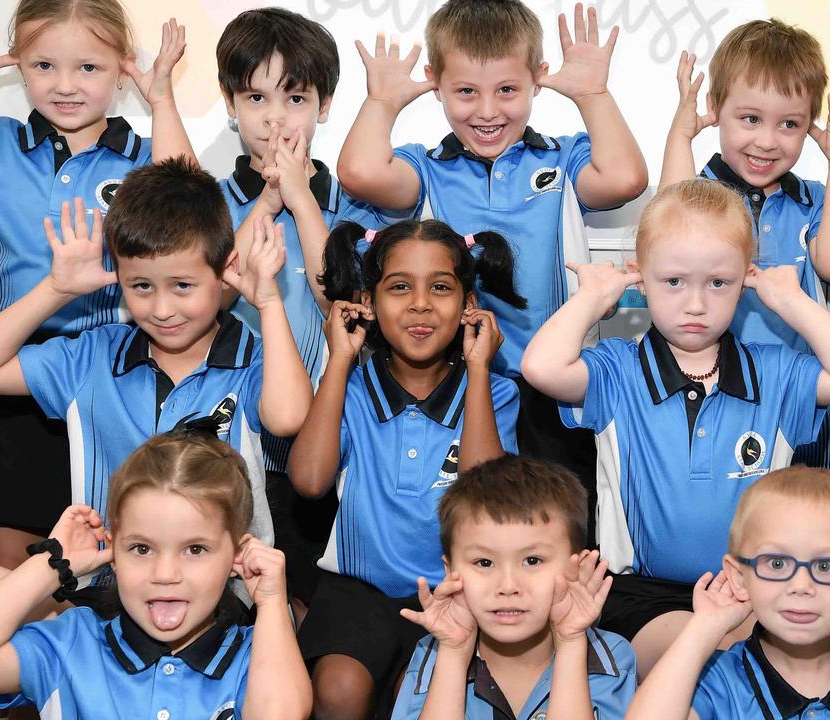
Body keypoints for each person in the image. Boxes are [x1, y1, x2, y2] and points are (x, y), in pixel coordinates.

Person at [521, 178, 830, 677]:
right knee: (712, 660)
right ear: (640, 278)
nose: (696, 303)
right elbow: (540, 368)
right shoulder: (617, 369)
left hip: (755, 588)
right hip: (643, 595)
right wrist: (593, 298)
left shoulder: (773, 372)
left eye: (719, 283)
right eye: (673, 282)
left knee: (789, 665)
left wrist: (792, 301)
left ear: (745, 280)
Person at [336, 0, 650, 532]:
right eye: (465, 92)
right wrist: (382, 104)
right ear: (434, 83)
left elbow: (624, 179)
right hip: (456, 382)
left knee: (554, 526)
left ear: (537, 81)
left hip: (551, 382)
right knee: (473, 523)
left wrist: (594, 95)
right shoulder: (425, 167)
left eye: (507, 90)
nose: (487, 111)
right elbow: (360, 172)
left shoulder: (561, 156)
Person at [0, 158, 313, 551]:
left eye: (183, 285)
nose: (163, 308)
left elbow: (288, 418)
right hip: (105, 587)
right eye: (141, 286)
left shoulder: (252, 359)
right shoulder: (94, 356)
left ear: (225, 270)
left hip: (226, 595)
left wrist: (270, 303)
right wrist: (56, 289)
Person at [0, 0, 192, 598]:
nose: (65, 86)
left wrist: (163, 101)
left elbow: (190, 214)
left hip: (118, 377)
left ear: (124, 67)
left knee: (118, 572)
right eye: (43, 64)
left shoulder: (144, 151)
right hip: (8, 375)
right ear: (16, 64)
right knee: (18, 588)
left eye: (89, 68)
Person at [288, 218, 522, 719]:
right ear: (368, 303)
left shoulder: (495, 393)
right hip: (357, 592)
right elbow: (308, 481)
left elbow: (487, 506)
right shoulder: (347, 389)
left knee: (415, 698)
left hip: (455, 596)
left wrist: (479, 369)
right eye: (399, 288)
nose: (420, 304)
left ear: (468, 305)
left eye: (440, 287)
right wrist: (338, 361)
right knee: (339, 689)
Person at [213, 3, 401, 619]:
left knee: (317, 610)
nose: (275, 119)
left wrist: (300, 197)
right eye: (256, 99)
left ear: (324, 106)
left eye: (295, 99)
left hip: (332, 443)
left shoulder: (360, 203)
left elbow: (343, 301)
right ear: (230, 104)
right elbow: (218, 286)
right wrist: (267, 200)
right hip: (234, 437)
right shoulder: (214, 204)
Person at [0, 430, 312, 719]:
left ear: (237, 556)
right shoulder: (72, 644)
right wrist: (54, 563)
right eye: (141, 548)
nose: (165, 574)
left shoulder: (257, 657)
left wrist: (270, 603)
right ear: (113, 552)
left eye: (195, 549)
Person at [662, 19, 830, 477]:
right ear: (716, 108)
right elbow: (669, 233)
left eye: (789, 124)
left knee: (809, 533)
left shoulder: (811, 199)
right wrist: (680, 136)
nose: (768, 141)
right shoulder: (700, 193)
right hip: (715, 399)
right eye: (750, 119)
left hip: (801, 398)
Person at [627, 467, 830, 720]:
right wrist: (703, 629)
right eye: (777, 562)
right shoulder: (721, 680)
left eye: (826, 566)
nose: (800, 586)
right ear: (739, 578)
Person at [390, 455, 636, 719]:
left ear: (578, 568)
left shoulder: (610, 658)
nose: (508, 586)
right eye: (484, 562)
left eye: (532, 560)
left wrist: (570, 643)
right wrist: (453, 653)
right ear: (450, 572)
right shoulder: (433, 657)